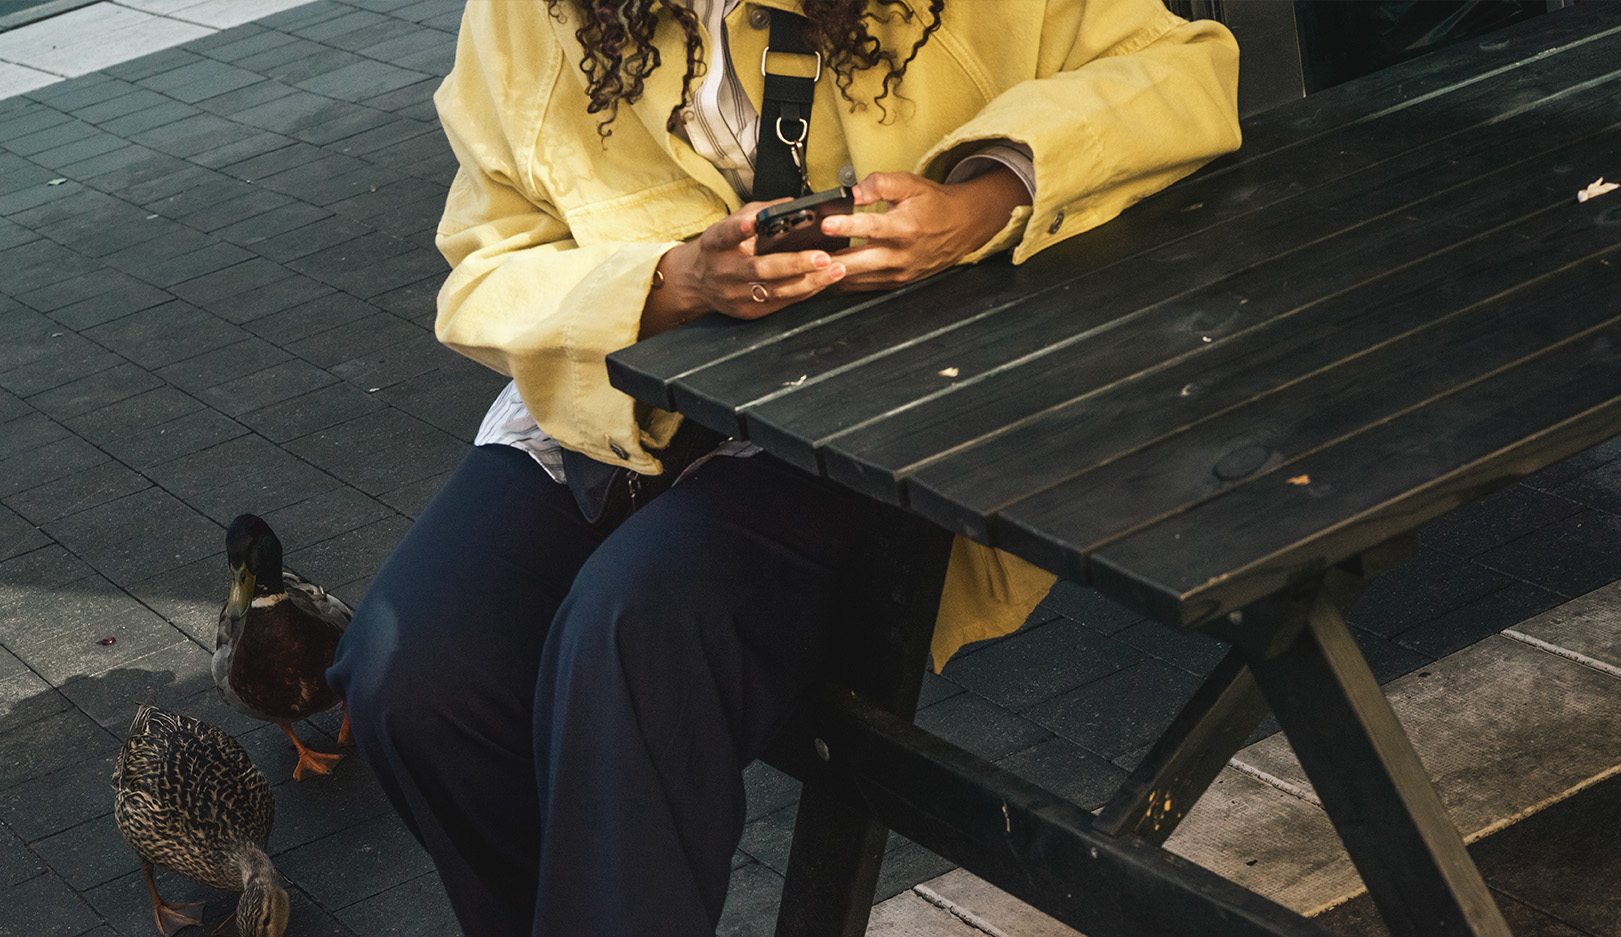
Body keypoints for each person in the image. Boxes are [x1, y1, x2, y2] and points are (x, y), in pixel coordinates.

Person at [325, 2, 1240, 935]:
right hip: (615, 394)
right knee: (411, 673)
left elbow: (1179, 69)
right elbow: (485, 266)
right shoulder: (523, 14)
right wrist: (671, 282)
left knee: (638, 629)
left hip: (867, 410)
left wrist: (976, 204)